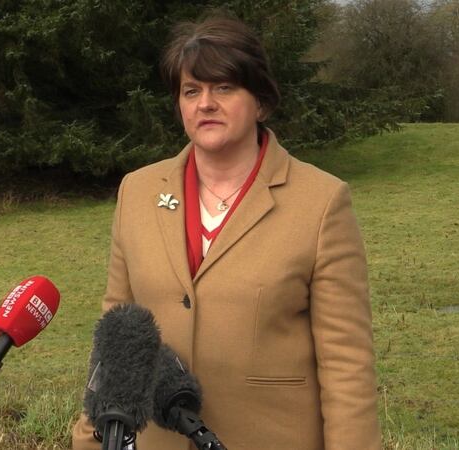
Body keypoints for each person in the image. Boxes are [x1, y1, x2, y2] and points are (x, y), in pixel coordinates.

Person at [71, 14, 381, 450]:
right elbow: (117, 335)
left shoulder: (322, 202)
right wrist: (89, 440)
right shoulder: (137, 192)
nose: (205, 103)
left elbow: (347, 366)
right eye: (191, 90)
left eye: (224, 88)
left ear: (260, 100)